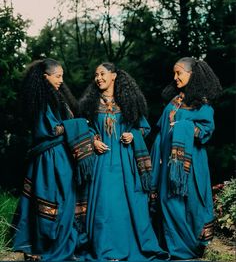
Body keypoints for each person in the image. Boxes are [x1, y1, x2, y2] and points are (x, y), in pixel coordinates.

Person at [77, 62, 169, 261]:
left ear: (114, 76)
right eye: (96, 75)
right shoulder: (90, 104)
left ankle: (126, 246)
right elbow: (85, 129)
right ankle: (104, 249)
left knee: (126, 205)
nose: (98, 78)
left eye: (102, 74)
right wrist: (93, 140)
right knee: (103, 206)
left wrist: (133, 135)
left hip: (126, 163)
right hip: (101, 163)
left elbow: (144, 128)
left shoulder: (129, 102)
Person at [11, 58, 95, 261]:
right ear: (45, 77)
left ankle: (62, 244)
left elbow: (62, 126)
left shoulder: (57, 99)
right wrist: (79, 124)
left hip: (61, 155)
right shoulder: (41, 100)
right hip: (50, 158)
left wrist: (82, 127)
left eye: (62, 77)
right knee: (52, 201)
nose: (61, 81)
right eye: (58, 76)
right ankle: (47, 247)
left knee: (65, 200)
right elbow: (50, 129)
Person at [150, 57, 222, 260]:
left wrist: (184, 128)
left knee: (190, 202)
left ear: (192, 75)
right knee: (168, 200)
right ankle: (175, 247)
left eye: (179, 73)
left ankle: (191, 246)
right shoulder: (174, 102)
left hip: (191, 164)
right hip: (167, 164)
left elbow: (206, 131)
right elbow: (160, 130)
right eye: (174, 73)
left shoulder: (203, 106)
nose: (175, 78)